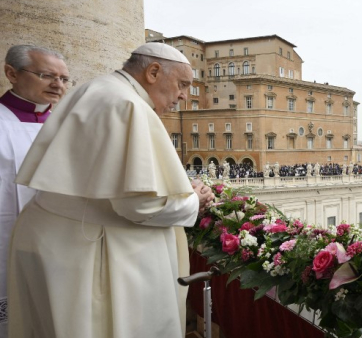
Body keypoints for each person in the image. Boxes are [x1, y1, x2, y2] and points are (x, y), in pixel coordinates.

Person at [7, 43, 214, 338]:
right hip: (84, 250)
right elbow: (140, 206)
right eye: (182, 85)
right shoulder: (127, 104)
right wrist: (194, 200)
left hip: (60, 239)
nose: (183, 96)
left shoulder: (99, 89)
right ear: (153, 72)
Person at [0, 44, 70, 338]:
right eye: (46, 75)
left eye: (64, 79)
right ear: (11, 73)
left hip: (58, 242)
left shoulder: (67, 125)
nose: (57, 85)